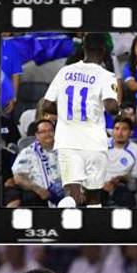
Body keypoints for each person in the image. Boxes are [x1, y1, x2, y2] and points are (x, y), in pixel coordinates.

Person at [38, 33, 120, 207]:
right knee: (93, 198)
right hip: (94, 144)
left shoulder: (65, 71)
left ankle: (65, 218)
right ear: (104, 51)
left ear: (83, 48)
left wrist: (65, 112)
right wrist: (119, 109)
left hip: (67, 141)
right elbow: (111, 107)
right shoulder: (106, 75)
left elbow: (46, 105)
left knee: (72, 196)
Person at [6, 119, 63, 207]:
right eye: (43, 132)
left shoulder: (65, 150)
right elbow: (18, 177)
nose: (48, 134)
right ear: (37, 135)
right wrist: (38, 189)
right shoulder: (28, 153)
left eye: (50, 131)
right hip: (40, 197)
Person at [104, 117, 137, 207]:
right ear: (112, 131)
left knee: (129, 200)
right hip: (99, 184)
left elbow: (135, 176)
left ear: (131, 132)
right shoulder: (103, 144)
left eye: (124, 129)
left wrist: (122, 178)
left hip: (120, 185)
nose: (120, 133)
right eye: (117, 129)